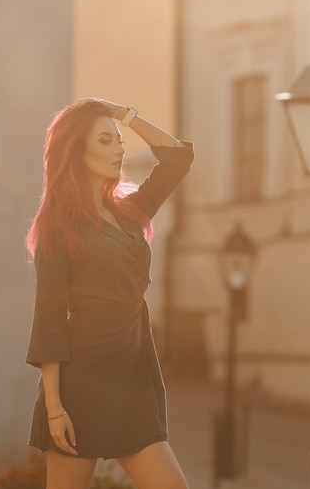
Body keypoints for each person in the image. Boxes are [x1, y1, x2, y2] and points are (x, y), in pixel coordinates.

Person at [25, 98, 194, 489]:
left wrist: (125, 115)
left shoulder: (132, 211)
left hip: (133, 374)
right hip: (79, 382)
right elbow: (48, 321)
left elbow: (176, 158)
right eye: (105, 140)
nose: (119, 149)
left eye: (119, 141)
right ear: (76, 152)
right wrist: (54, 408)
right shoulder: (59, 226)